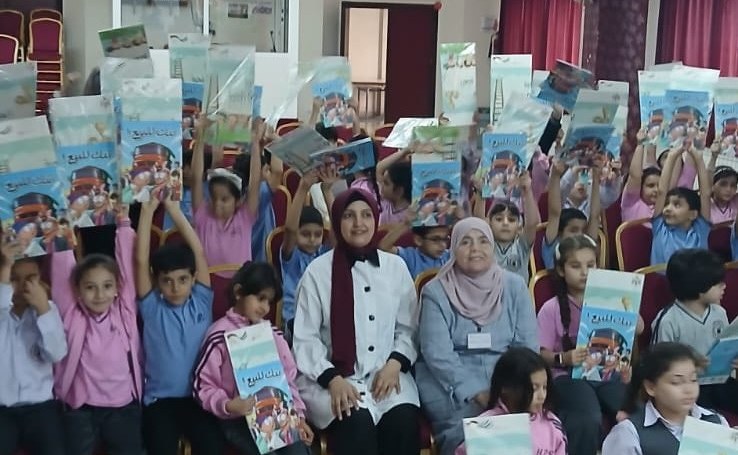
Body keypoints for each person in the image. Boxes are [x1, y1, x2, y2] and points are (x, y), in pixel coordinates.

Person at [292, 188, 421, 455]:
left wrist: (395, 364)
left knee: (403, 421)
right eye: (349, 216)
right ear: (337, 221)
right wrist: (333, 379)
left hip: (387, 373)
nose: (359, 223)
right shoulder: (317, 273)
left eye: (366, 215)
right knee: (356, 424)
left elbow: (408, 328)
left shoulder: (395, 267)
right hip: (333, 379)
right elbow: (305, 338)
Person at [415, 217, 539, 455]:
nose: (475, 249)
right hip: (449, 382)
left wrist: (509, 388)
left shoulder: (514, 286)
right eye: (466, 242)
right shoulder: (436, 292)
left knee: (527, 434)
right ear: (454, 248)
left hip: (506, 376)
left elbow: (527, 347)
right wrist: (475, 391)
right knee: (477, 438)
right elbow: (437, 354)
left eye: (483, 241)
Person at [51, 204, 144, 455]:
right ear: (78, 290)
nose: (99, 294)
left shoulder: (124, 312)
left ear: (117, 288)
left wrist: (124, 223)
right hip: (83, 409)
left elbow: (126, 264)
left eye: (107, 286)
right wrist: (61, 231)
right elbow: (62, 272)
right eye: (90, 287)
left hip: (123, 406)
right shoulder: (73, 316)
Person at [194, 262, 314, 455]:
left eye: (269, 302)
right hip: (236, 419)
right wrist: (227, 405)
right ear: (239, 292)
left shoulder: (273, 335)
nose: (265, 307)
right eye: (260, 299)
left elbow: (288, 379)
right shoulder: (219, 336)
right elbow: (203, 386)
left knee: (298, 450)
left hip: (277, 414)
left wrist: (298, 417)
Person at [136, 196, 225, 455]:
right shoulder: (152, 307)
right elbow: (141, 261)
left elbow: (198, 252)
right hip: (160, 402)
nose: (175, 287)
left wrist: (174, 210)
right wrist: (147, 211)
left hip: (199, 397)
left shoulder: (201, 302)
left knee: (214, 447)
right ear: (157, 282)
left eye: (182, 279)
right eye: (167, 281)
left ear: (193, 278)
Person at [537, 235, 630, 455]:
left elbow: (640, 327)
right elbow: (540, 353)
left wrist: (625, 306)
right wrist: (564, 358)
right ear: (561, 270)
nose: (585, 272)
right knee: (587, 418)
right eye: (575, 266)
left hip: (607, 372)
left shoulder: (609, 301)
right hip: (567, 377)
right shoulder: (551, 308)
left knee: (632, 413)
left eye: (591, 265)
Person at [650, 248, 738, 413]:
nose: (724, 286)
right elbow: (657, 364)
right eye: (717, 283)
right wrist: (690, 365)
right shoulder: (668, 320)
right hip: (687, 388)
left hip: (721, 382)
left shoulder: (719, 312)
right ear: (700, 288)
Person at [602, 342, 729, 455]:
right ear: (651, 387)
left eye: (693, 380)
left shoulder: (716, 423)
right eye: (676, 382)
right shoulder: (629, 434)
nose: (689, 389)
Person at [0, 251, 67, 455]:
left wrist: (43, 310)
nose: (22, 286)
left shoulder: (47, 310)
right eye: (13, 279)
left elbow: (56, 354)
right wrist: (5, 267)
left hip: (40, 406)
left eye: (30, 279)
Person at [454, 347, 567, 455]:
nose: (542, 396)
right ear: (506, 388)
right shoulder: (484, 426)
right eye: (534, 388)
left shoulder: (552, 424)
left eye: (544, 387)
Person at [191, 117, 263, 275]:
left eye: (225, 199)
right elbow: (196, 179)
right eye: (213, 198)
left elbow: (255, 181)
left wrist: (255, 142)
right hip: (208, 286)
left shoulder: (245, 218)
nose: (217, 204)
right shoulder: (203, 217)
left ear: (238, 201)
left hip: (240, 285)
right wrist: (200, 137)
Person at [280, 171, 331, 341]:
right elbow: (290, 229)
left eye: (318, 234)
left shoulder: (323, 253)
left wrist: (326, 191)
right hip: (295, 317)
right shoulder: (291, 255)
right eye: (305, 234)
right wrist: (303, 188)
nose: (312, 240)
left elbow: (339, 231)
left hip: (322, 315)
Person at [650, 146, 711, 265]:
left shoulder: (700, 229)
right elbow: (662, 191)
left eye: (677, 205)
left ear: (693, 214)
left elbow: (706, 195)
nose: (668, 208)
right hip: (662, 277)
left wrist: (698, 159)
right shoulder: (660, 227)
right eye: (666, 204)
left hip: (695, 277)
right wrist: (672, 156)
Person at [478, 171, 540, 281]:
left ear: (519, 228)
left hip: (517, 292)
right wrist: (481, 193)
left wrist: (527, 191)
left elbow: (532, 224)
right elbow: (478, 221)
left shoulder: (522, 246)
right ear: (489, 224)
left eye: (511, 220)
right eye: (499, 219)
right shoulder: (486, 244)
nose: (505, 223)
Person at [543, 158, 602, 269]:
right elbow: (554, 213)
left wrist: (596, 177)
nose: (580, 235)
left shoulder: (587, 245)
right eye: (573, 230)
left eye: (583, 231)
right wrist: (555, 175)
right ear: (559, 234)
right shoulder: (553, 246)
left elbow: (594, 215)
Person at [377, 217, 450, 280]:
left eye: (445, 239)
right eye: (435, 239)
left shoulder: (448, 256)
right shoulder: (410, 255)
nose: (443, 245)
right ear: (418, 240)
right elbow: (383, 247)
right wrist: (406, 224)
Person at [621, 129, 661, 222]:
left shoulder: (665, 208)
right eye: (651, 185)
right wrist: (640, 144)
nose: (656, 190)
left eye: (660, 186)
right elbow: (635, 176)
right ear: (640, 187)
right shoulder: (632, 202)